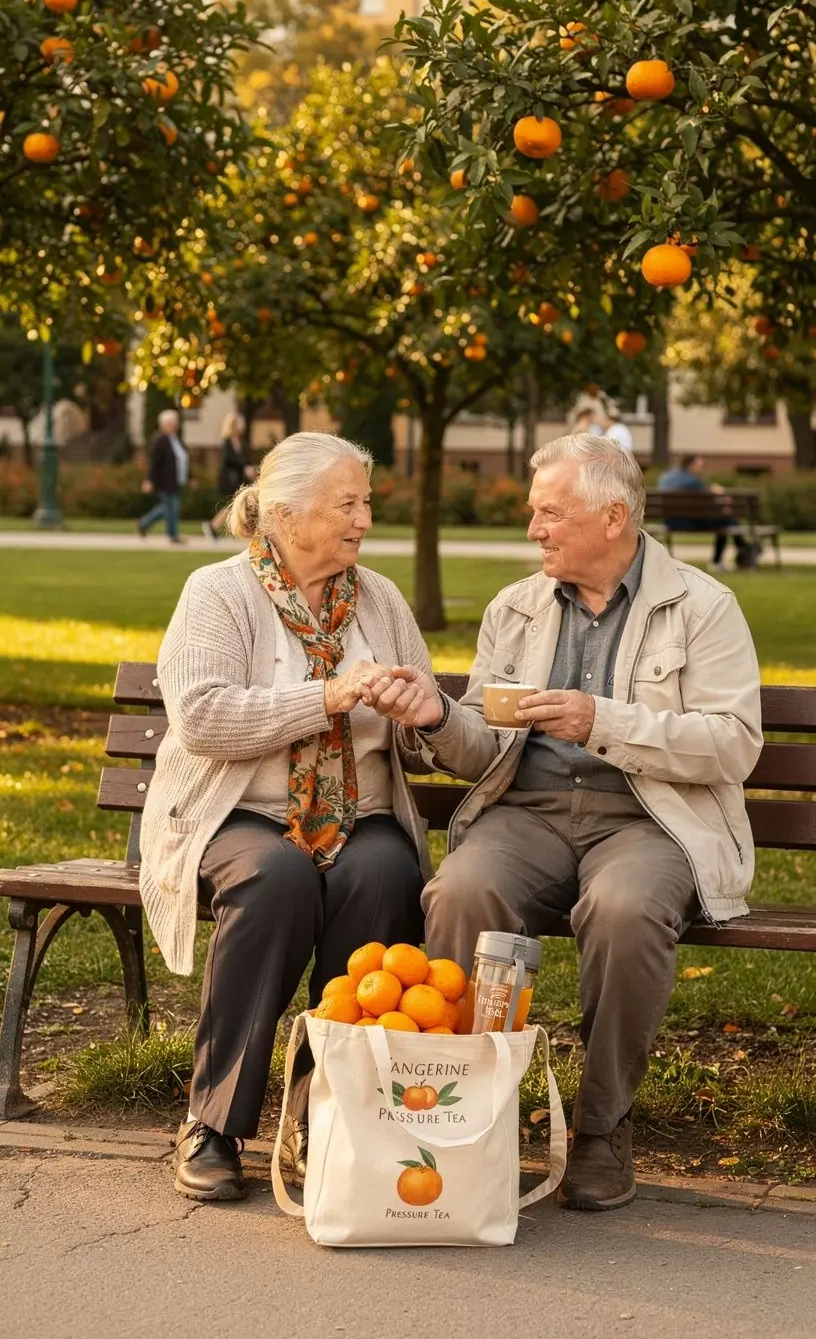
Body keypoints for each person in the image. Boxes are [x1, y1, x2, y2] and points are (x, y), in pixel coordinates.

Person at [360, 435, 762, 1213]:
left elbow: (734, 745)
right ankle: (464, 1118)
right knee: (461, 892)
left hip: (649, 817)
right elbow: (482, 744)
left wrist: (600, 721)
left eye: (550, 513)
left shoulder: (702, 606)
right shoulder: (517, 607)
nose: (534, 529)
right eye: (533, 513)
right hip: (530, 813)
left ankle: (603, 1128)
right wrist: (439, 715)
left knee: (624, 909)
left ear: (613, 517)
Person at [139, 432, 436, 1203]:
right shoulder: (219, 593)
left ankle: (321, 1115)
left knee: (382, 872)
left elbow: (422, 733)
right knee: (277, 879)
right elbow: (203, 719)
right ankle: (214, 1122)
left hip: (356, 813)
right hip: (236, 813)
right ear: (283, 512)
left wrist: (418, 714)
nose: (364, 519)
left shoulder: (380, 600)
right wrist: (328, 695)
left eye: (365, 502)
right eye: (348, 503)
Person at [658, 454, 752, 571]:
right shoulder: (693, 481)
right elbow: (710, 504)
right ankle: (724, 558)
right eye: (699, 466)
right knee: (727, 520)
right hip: (691, 522)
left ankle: (744, 549)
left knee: (727, 519)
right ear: (691, 465)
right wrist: (717, 492)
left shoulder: (665, 478)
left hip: (671, 522)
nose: (701, 469)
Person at [202, 411, 256, 542]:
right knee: (231, 504)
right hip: (230, 478)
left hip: (240, 478)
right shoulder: (226, 442)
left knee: (234, 504)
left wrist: (249, 467)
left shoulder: (240, 442)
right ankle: (214, 525)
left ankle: (217, 526)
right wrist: (244, 466)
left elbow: (244, 457)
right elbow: (229, 459)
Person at [137, 409, 189, 544]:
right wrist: (150, 480)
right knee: (171, 507)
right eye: (173, 422)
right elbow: (155, 462)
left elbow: (182, 459)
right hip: (165, 480)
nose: (176, 425)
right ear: (165, 424)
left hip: (176, 480)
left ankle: (144, 523)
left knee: (167, 507)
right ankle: (173, 535)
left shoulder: (175, 439)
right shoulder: (160, 439)